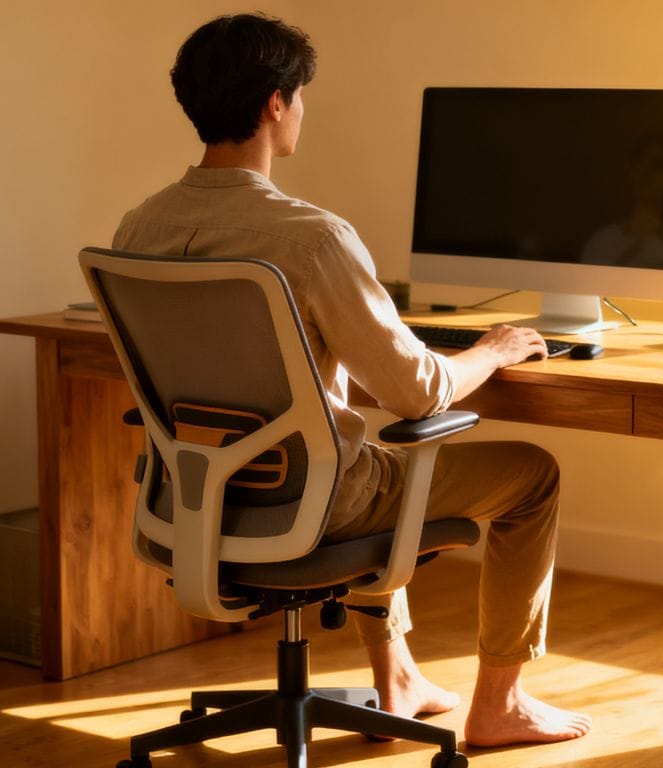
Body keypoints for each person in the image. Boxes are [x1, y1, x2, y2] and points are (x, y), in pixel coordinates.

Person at [110, 13, 591, 748]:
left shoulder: (137, 229)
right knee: (531, 474)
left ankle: (396, 674)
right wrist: (493, 350)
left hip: (196, 495)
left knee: (363, 456)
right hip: (313, 503)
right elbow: (417, 390)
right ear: (275, 103)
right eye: (299, 95)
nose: (302, 109)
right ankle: (502, 704)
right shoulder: (311, 237)